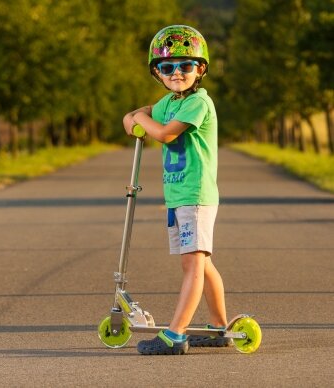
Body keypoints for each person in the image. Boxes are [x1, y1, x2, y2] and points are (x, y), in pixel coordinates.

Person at [123, 25, 229, 355]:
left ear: (201, 69)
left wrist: (143, 120)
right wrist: (137, 118)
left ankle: (176, 333)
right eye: (167, 67)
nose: (177, 73)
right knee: (200, 264)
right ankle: (217, 327)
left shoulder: (198, 102)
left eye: (186, 66)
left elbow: (165, 134)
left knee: (194, 263)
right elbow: (130, 119)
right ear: (157, 72)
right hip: (178, 196)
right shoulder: (168, 102)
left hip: (196, 196)